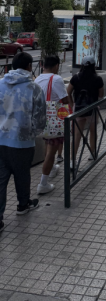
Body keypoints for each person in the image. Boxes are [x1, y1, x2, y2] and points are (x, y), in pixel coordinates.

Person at [0, 52, 46, 233]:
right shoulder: (33, 88)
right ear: (29, 66)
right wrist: (32, 134)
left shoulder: (0, 84)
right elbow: (40, 118)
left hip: (0, 140)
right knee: (22, 174)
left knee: (1, 179)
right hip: (22, 141)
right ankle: (23, 205)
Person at [34, 56, 73, 194]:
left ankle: (51, 168)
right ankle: (43, 183)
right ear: (56, 65)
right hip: (54, 120)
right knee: (52, 150)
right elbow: (64, 99)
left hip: (41, 118)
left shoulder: (37, 78)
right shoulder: (56, 79)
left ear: (43, 65)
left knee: (47, 144)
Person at [66, 56, 104, 169]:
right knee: (93, 131)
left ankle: (73, 160)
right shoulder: (98, 79)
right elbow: (101, 95)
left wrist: (73, 104)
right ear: (93, 66)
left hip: (78, 109)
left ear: (82, 65)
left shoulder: (75, 77)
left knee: (77, 134)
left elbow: (68, 92)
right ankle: (92, 153)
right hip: (92, 109)